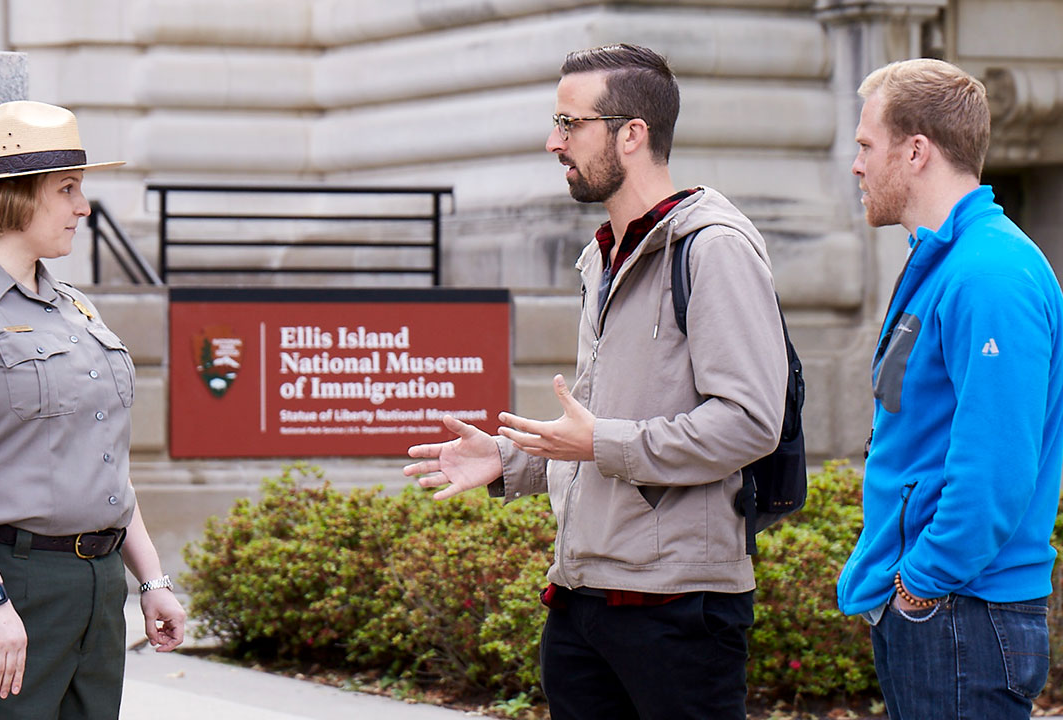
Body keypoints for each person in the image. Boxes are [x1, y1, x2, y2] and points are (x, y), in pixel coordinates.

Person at [404, 44, 788, 719]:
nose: (553, 141)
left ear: (631, 134)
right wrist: (506, 459)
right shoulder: (603, 254)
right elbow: (601, 419)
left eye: (570, 123)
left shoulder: (714, 247)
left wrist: (601, 442)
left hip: (679, 612)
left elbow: (752, 422)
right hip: (581, 604)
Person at [0, 100, 185, 719]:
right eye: (67, 189)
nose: (83, 207)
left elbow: (102, 461)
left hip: (94, 588)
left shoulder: (76, 309)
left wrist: (150, 580)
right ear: (15, 196)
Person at [836, 59, 1063, 719]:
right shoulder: (947, 260)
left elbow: (995, 466)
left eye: (865, 146)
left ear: (916, 151)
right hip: (946, 615)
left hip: (962, 614)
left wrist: (920, 585)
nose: (856, 165)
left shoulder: (989, 273)